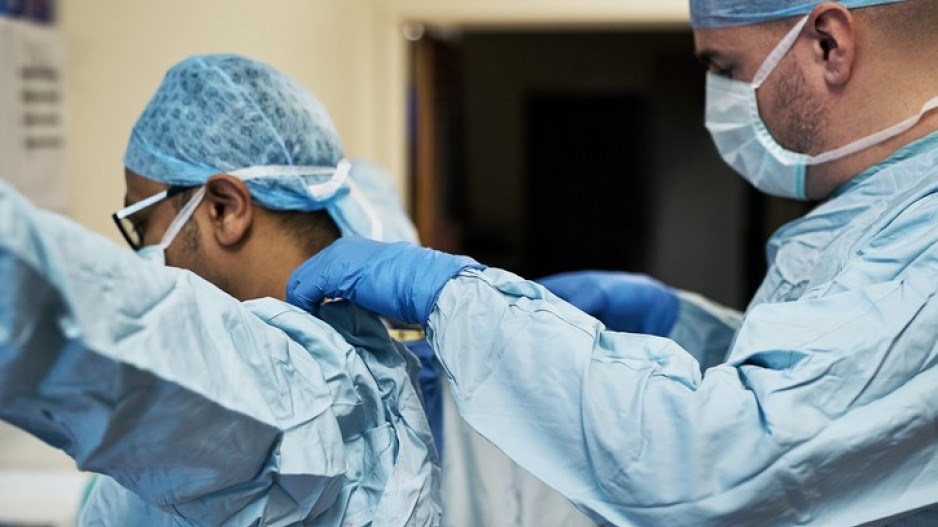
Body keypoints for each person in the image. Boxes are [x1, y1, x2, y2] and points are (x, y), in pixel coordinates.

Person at [286, 1, 938, 525]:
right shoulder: (886, 211)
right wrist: (692, 329)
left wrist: (459, 300)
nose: (722, 103)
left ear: (828, 42)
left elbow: (725, 467)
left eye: (726, 69)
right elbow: (838, 387)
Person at [0, 54, 441, 526]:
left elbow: (72, 314)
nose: (143, 250)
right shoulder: (360, 332)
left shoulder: (286, 392)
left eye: (142, 222)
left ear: (224, 208)